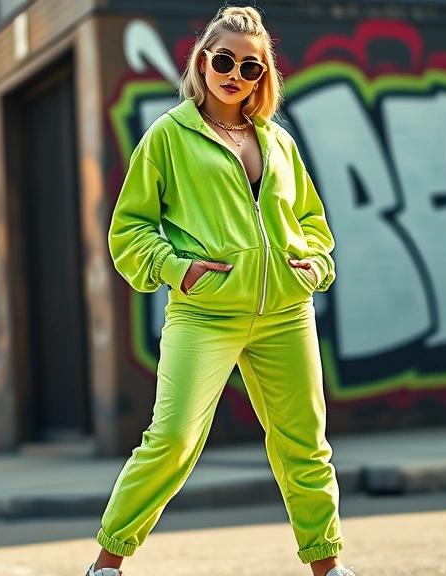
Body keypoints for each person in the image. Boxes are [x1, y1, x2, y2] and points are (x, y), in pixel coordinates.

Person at [87, 6, 353, 576]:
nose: (235, 73)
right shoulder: (168, 137)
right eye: (225, 59)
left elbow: (310, 219)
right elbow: (129, 227)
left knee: (304, 445)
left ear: (264, 77)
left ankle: (327, 568)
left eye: (251, 67)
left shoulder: (278, 142)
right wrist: (176, 269)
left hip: (285, 311)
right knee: (174, 436)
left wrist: (314, 264)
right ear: (203, 61)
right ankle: (106, 563)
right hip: (205, 313)